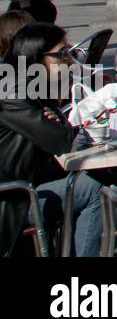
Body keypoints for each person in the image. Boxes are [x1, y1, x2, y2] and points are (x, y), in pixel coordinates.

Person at [0, 24, 105, 257]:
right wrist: (57, 117)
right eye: (61, 54)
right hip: (11, 199)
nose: (68, 60)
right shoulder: (11, 91)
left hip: (29, 184)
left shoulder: (28, 86)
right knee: (95, 189)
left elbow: (60, 132)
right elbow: (62, 141)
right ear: (36, 58)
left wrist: (55, 111)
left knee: (98, 179)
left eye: (69, 51)